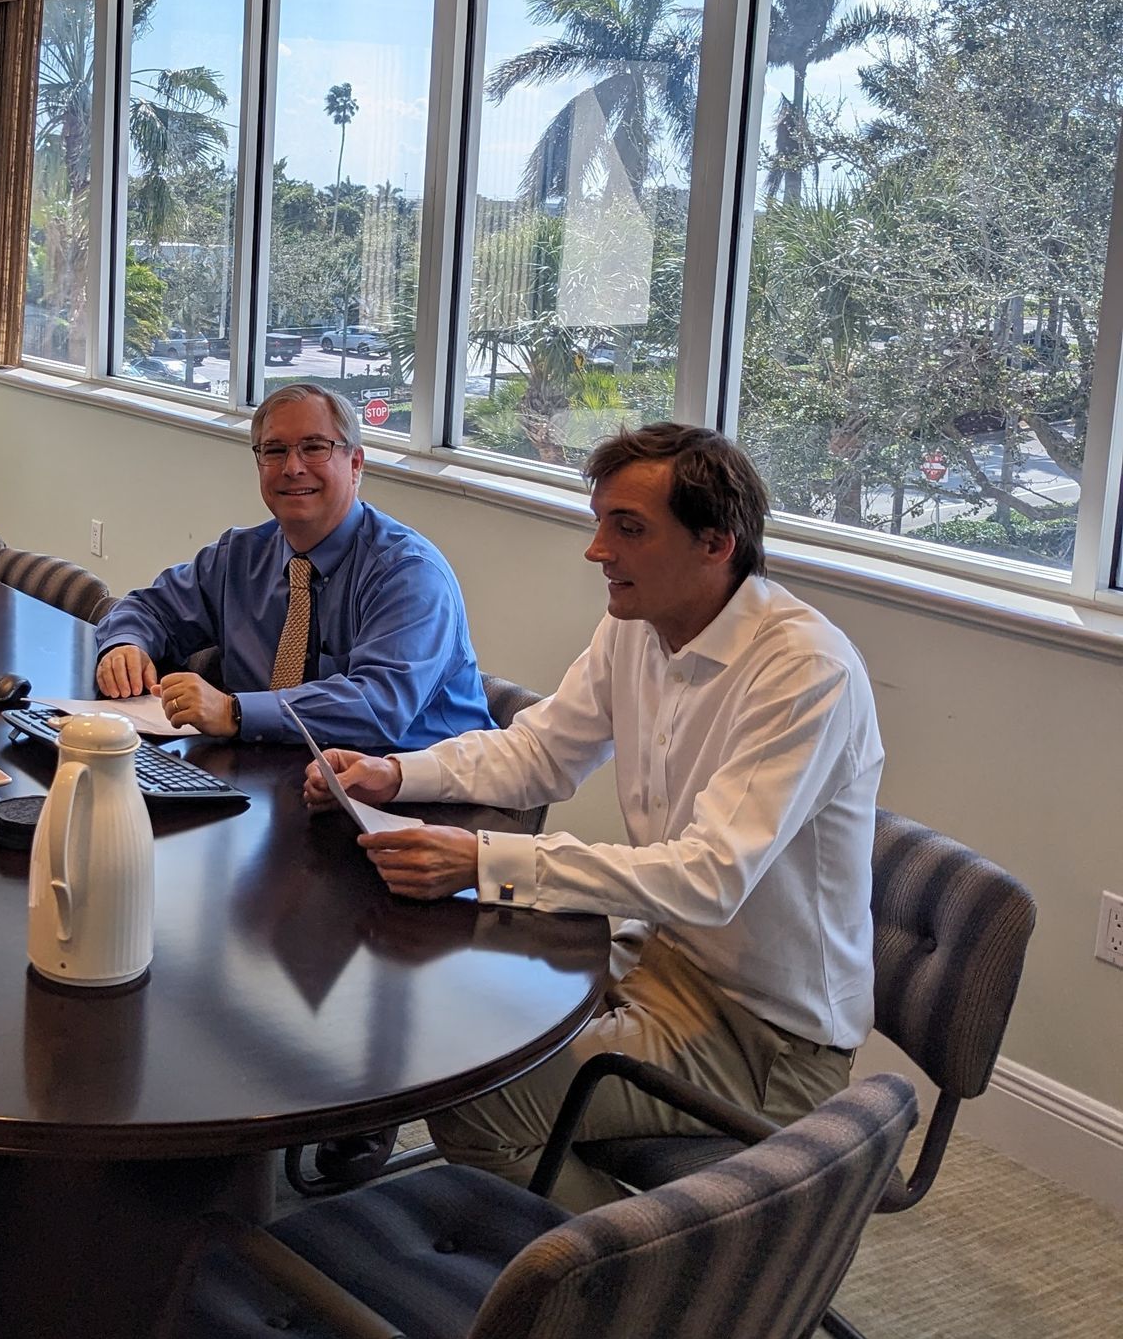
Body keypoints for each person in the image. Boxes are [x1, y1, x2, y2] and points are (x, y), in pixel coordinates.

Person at [306, 422, 884, 1211]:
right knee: (446, 1023)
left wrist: (485, 862)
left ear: (717, 543)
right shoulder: (635, 627)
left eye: (629, 528)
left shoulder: (803, 672)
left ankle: (657, 1284)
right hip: (655, 959)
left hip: (768, 1038)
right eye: (601, 521)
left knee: (476, 1104)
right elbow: (538, 753)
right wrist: (394, 772)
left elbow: (709, 878)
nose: (597, 550)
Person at [93, 383, 494, 749]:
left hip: (426, 799)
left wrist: (234, 712)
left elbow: (378, 705)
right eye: (275, 450)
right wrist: (126, 645)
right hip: (283, 777)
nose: (292, 467)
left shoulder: (409, 576)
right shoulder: (240, 556)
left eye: (315, 447)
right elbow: (149, 608)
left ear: (355, 463)